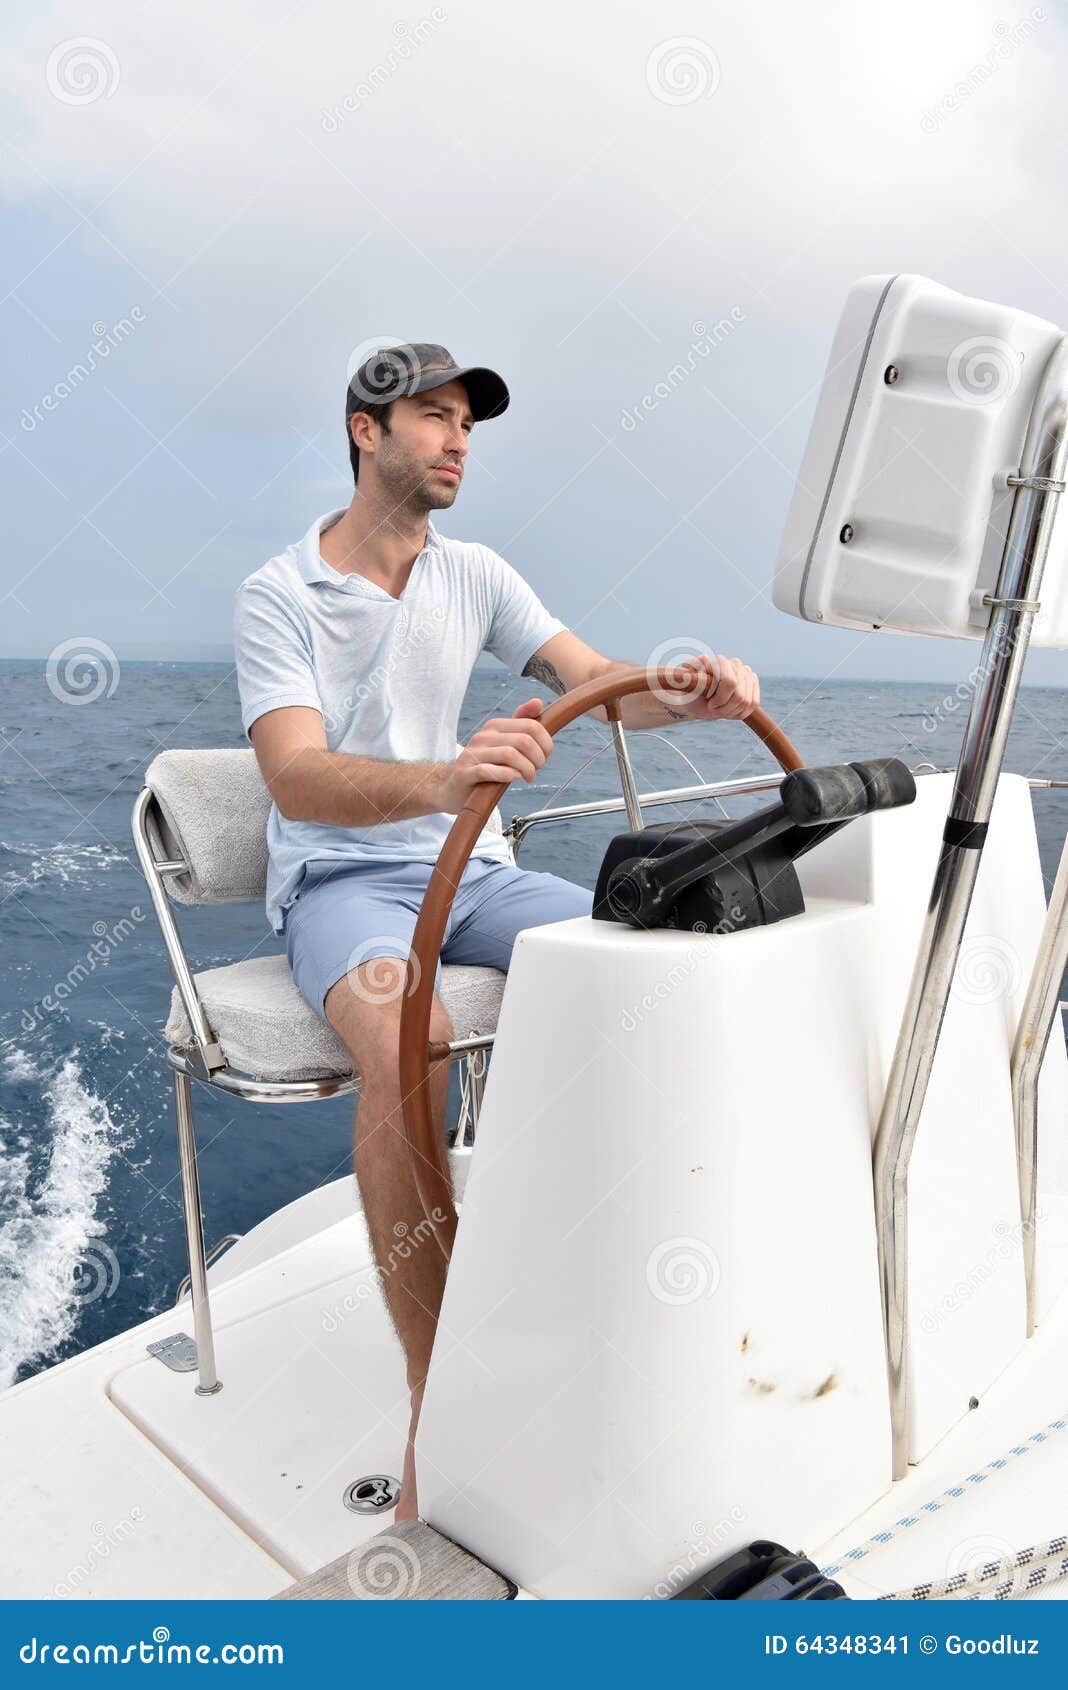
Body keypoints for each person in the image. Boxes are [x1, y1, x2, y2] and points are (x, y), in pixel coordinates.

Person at [234, 342, 760, 1518]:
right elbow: (297, 779)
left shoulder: (475, 572)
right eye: (433, 416)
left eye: (468, 420)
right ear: (366, 431)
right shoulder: (280, 593)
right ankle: (442, 1392)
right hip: (347, 885)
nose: (460, 438)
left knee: (652, 964)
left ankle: (634, 1286)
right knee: (394, 1025)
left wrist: (683, 685)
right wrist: (446, 777)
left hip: (477, 873)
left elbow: (593, 676)